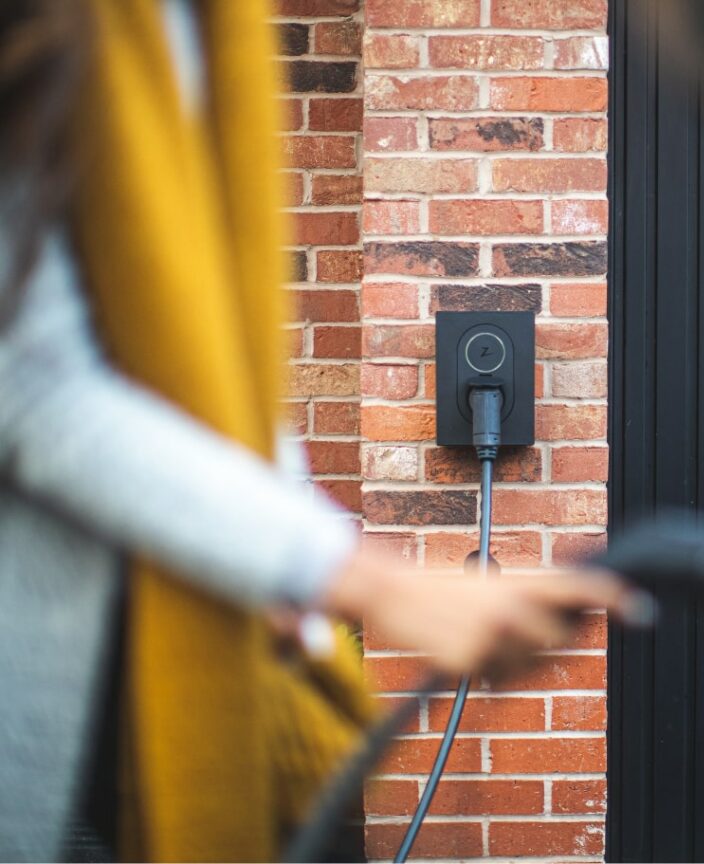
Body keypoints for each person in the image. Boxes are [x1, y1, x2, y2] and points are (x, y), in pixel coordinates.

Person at [0, 2, 645, 860]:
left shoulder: (204, 26)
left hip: (181, 618)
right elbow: (32, 387)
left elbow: (210, 368)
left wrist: (282, 545)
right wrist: (376, 584)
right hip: (53, 649)